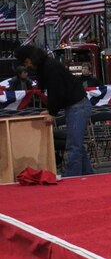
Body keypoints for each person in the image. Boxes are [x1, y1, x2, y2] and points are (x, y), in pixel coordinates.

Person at [14, 45, 94, 177]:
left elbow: (56, 91)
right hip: (75, 105)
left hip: (78, 105)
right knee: (76, 143)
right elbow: (54, 92)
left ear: (30, 59)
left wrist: (52, 112)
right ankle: (89, 175)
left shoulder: (50, 67)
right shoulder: (47, 66)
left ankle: (72, 177)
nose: (27, 66)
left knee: (73, 145)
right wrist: (51, 110)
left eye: (26, 62)